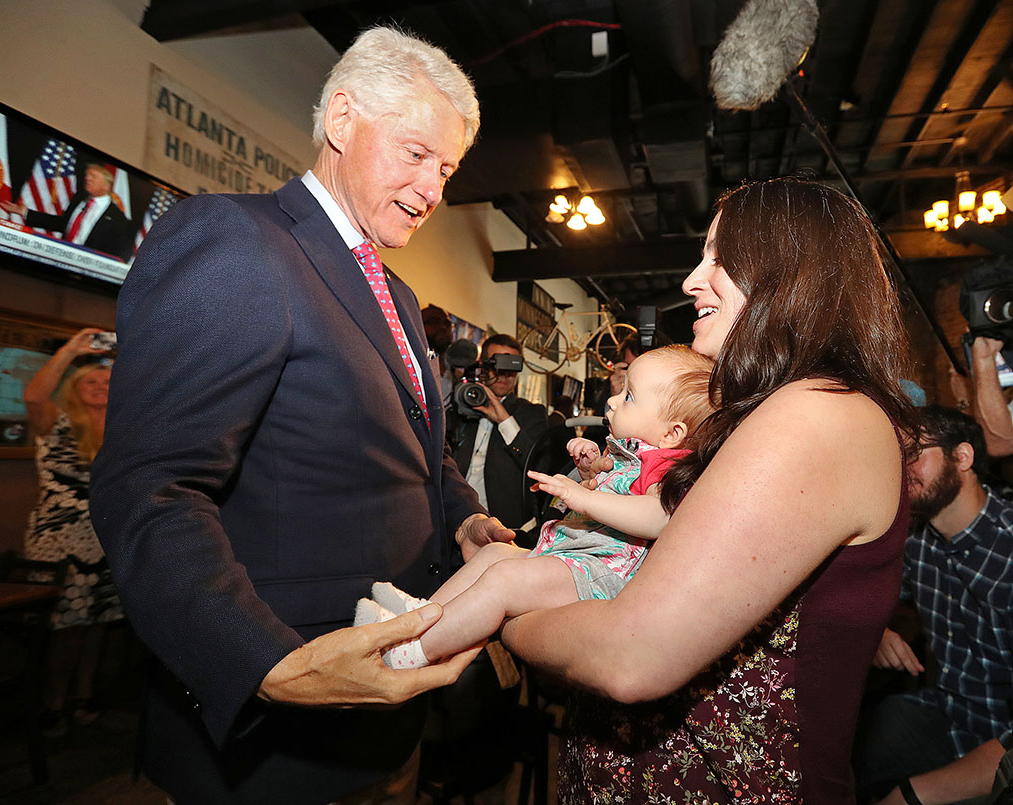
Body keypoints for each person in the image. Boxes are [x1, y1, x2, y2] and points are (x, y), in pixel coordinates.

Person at [89, 27, 514, 804]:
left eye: (447, 169)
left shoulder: (401, 297)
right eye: (417, 154)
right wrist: (270, 665)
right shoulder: (237, 241)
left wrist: (462, 517)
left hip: (383, 716)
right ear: (343, 121)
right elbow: (150, 489)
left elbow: (422, 449)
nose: (433, 187)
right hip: (279, 737)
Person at [498, 177, 919, 802]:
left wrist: (505, 610)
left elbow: (631, 656)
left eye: (719, 258)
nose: (693, 279)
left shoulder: (821, 412)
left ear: (791, 272)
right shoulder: (777, 411)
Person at [357, 345, 715, 669]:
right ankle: (419, 616)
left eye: (629, 397)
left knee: (504, 578)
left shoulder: (666, 466)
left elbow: (657, 517)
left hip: (598, 575)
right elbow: (618, 492)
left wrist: (583, 496)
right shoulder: (626, 455)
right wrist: (593, 471)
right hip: (572, 558)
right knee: (494, 554)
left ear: (672, 434)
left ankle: (414, 652)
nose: (613, 401)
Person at [853, 405, 1013, 805]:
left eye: (914, 453)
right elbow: (865, 594)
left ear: (962, 457)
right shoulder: (918, 538)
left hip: (1002, 748)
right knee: (842, 750)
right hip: (948, 713)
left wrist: (912, 794)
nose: (901, 468)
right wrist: (879, 631)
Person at [23, 328, 123, 735]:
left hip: (109, 541)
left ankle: (84, 696)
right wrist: (70, 350)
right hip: (60, 543)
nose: (100, 387)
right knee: (65, 629)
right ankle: (53, 705)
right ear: (75, 387)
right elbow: (32, 397)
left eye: (108, 381)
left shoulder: (123, 433)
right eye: (91, 381)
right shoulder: (57, 424)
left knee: (97, 624)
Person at [449, 333, 549, 529]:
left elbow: (539, 465)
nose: (503, 374)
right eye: (497, 364)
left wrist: (504, 419)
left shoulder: (531, 413)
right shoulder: (459, 409)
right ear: (484, 366)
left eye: (511, 367)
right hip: (457, 520)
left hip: (507, 526)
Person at [2, 164, 135, 261]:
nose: (87, 178)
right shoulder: (80, 201)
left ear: (107, 185)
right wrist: (25, 212)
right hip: (61, 260)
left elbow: (118, 254)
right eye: (87, 175)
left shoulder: (119, 219)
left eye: (93, 176)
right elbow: (62, 224)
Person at [421, 303, 454, 410]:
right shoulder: (407, 367)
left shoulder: (457, 372)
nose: (443, 327)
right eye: (433, 322)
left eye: (447, 323)